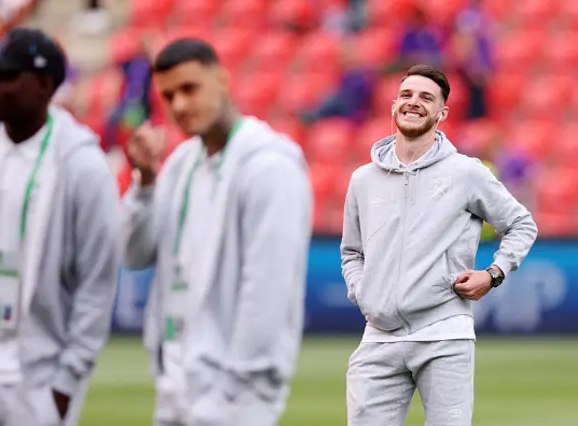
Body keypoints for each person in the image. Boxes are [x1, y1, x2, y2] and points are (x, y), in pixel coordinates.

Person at [123, 38, 313, 426]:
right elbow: (134, 254)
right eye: (168, 95)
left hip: (233, 393)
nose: (178, 105)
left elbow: (267, 287)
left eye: (189, 89)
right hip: (175, 382)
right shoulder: (179, 166)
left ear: (222, 79)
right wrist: (143, 182)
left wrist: (239, 388)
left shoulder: (271, 166)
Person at [0, 28, 121, 425]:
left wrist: (65, 384)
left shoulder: (83, 165)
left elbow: (97, 282)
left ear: (43, 85)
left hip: (33, 380)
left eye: (6, 76)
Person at [341, 64, 538, 426]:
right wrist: (364, 293)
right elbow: (352, 252)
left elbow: (522, 224)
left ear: (442, 113)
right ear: (393, 105)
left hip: (444, 333)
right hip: (378, 338)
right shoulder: (363, 179)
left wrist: (493, 273)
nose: (414, 102)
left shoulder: (466, 172)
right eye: (406, 95)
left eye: (426, 98)